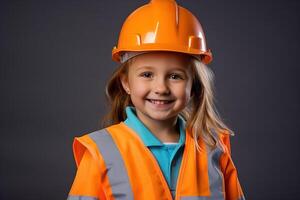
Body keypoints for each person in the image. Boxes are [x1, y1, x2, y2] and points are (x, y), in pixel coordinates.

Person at [66, 0, 245, 199]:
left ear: (194, 86)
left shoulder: (214, 149)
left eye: (175, 76)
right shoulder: (101, 152)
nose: (160, 88)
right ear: (126, 83)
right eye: (147, 75)